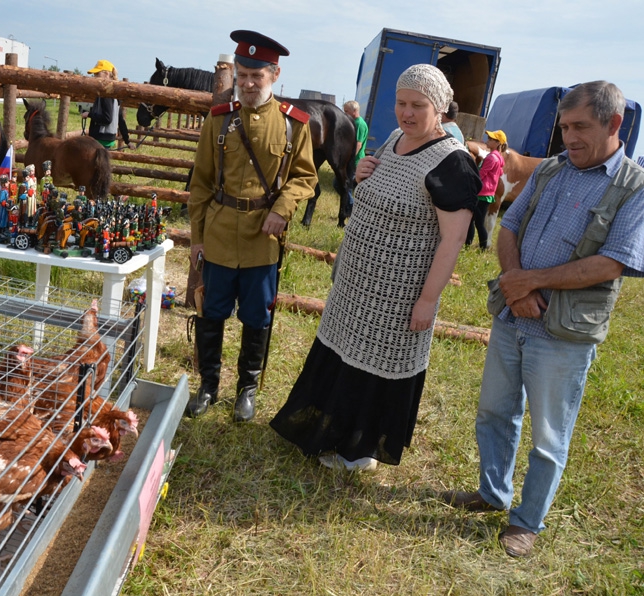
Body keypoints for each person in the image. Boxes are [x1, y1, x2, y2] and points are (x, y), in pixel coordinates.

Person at [443, 81, 644, 558]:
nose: (568, 137)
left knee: (549, 435)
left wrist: (528, 283)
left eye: (580, 128)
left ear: (614, 125)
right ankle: (493, 494)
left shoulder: (634, 186)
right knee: (494, 412)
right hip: (515, 317)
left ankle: (526, 521)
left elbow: (611, 263)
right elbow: (509, 225)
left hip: (564, 334)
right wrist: (515, 282)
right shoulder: (552, 169)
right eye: (563, 127)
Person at [270, 64, 480, 470]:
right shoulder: (398, 139)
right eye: (401, 103)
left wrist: (428, 300)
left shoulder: (451, 162)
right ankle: (327, 432)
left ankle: (357, 450)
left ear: (438, 108)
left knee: (373, 366)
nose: (407, 112)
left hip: (398, 293)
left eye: (418, 105)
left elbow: (453, 240)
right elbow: (375, 180)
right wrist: (364, 172)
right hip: (356, 283)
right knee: (342, 355)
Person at [186, 30, 318, 423]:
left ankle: (247, 388)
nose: (246, 83)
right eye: (242, 74)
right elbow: (202, 184)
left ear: (274, 75)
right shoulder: (219, 121)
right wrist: (196, 238)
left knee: (257, 316)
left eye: (255, 76)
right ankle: (208, 385)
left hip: (264, 236)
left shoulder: (293, 124)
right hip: (221, 233)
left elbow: (304, 177)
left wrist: (283, 208)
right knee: (211, 311)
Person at [466, 130, 506, 250]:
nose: (487, 140)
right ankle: (473, 244)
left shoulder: (491, 158)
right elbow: (499, 173)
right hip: (488, 193)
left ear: (498, 143)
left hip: (482, 193)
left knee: (476, 221)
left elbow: (481, 174)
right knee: (475, 220)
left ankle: (480, 245)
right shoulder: (498, 158)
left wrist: (472, 179)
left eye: (491, 139)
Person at [82, 60, 131, 150]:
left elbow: (107, 118)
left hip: (100, 138)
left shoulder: (106, 94)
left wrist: (89, 114)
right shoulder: (115, 94)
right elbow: (120, 119)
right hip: (107, 138)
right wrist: (127, 140)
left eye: (97, 74)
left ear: (106, 74)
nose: (94, 77)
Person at [342, 100, 368, 221]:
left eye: (346, 111)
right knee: (341, 185)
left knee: (345, 186)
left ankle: (351, 208)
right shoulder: (353, 122)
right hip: (353, 160)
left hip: (356, 161)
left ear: (354, 111)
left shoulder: (359, 124)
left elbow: (358, 144)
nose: (344, 113)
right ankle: (349, 208)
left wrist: (349, 160)